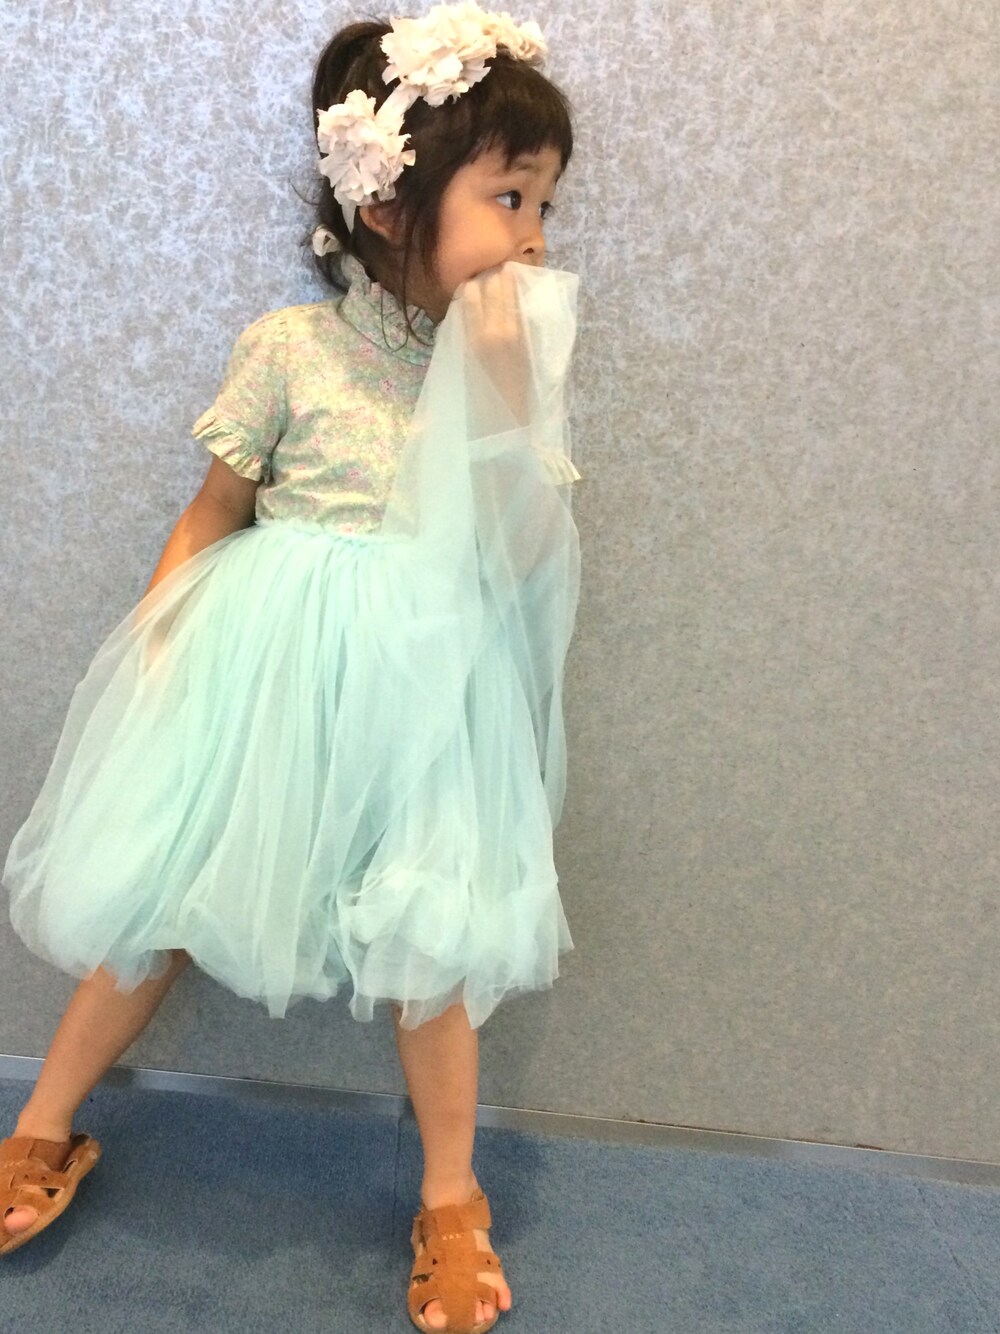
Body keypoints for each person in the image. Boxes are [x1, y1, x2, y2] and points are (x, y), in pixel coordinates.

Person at [0, 5, 583, 1331]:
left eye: (545, 203)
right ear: (391, 207)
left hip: (426, 696)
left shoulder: (507, 365)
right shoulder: (288, 348)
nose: (537, 236)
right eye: (509, 198)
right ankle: (43, 1120)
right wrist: (160, 644)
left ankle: (451, 1193)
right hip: (262, 682)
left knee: (429, 933)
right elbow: (215, 512)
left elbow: (521, 560)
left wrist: (504, 392)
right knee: (162, 889)